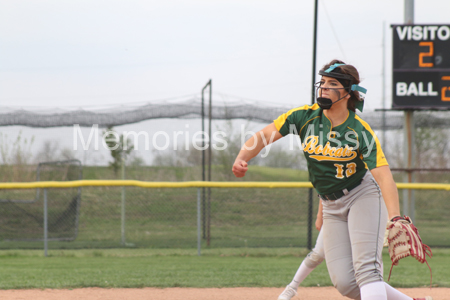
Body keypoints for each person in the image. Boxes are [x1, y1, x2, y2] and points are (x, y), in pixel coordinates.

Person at [232, 60, 432, 300]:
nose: (323, 88)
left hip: (362, 196)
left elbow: (383, 174)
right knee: (346, 283)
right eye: (323, 83)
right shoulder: (304, 117)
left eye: (332, 84)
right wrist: (242, 157)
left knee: (367, 271)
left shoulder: (359, 130)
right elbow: (264, 135)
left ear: (348, 92)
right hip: (330, 205)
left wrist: (395, 216)